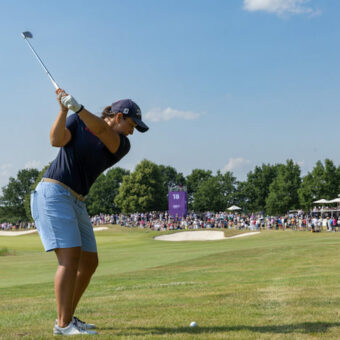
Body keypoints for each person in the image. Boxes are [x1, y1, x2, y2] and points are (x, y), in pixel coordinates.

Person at [30, 89, 148, 335]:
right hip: (54, 192)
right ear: (119, 117)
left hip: (77, 200)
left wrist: (79, 108)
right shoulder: (77, 120)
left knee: (89, 262)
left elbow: (103, 132)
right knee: (70, 259)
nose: (132, 130)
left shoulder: (121, 144)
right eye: (132, 124)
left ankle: (66, 318)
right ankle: (63, 324)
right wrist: (64, 111)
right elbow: (55, 140)